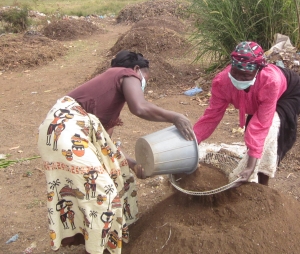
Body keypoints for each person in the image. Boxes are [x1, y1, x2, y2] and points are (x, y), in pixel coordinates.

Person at [37, 50, 194, 254]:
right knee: (103, 194)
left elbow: (108, 148)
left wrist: (134, 164)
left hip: (57, 131)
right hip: (66, 130)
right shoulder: (127, 74)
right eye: (145, 78)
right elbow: (140, 107)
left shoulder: (107, 99)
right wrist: (175, 117)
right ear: (137, 69)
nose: (142, 84)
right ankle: (97, 249)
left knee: (118, 176)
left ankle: (105, 236)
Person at [193, 41, 300, 187]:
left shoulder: (269, 82)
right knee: (254, 136)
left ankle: (262, 186)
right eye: (235, 73)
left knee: (269, 133)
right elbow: (212, 115)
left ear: (257, 71)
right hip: (260, 97)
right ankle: (250, 175)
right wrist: (193, 141)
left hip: (287, 94)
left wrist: (249, 167)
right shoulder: (222, 82)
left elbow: (261, 124)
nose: (238, 79)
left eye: (245, 76)